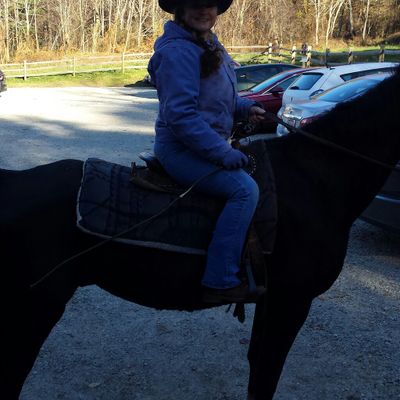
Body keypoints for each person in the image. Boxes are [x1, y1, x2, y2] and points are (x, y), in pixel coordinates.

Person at [148, 0, 266, 304]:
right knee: (245, 191)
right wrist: (222, 153)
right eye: (195, 4)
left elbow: (218, 99)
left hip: (205, 143)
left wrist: (245, 108)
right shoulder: (178, 52)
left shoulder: (209, 43)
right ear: (181, 9)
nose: (204, 11)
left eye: (210, 4)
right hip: (180, 149)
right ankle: (220, 280)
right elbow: (181, 116)